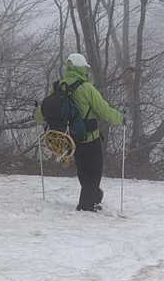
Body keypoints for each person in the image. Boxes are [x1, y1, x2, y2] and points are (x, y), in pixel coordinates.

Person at [36, 53, 124, 211]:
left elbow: (44, 112)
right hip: (89, 137)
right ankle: (86, 205)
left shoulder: (58, 87)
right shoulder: (86, 88)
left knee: (83, 170)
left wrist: (36, 114)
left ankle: (93, 197)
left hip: (70, 138)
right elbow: (104, 111)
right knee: (94, 171)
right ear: (81, 68)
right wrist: (121, 118)